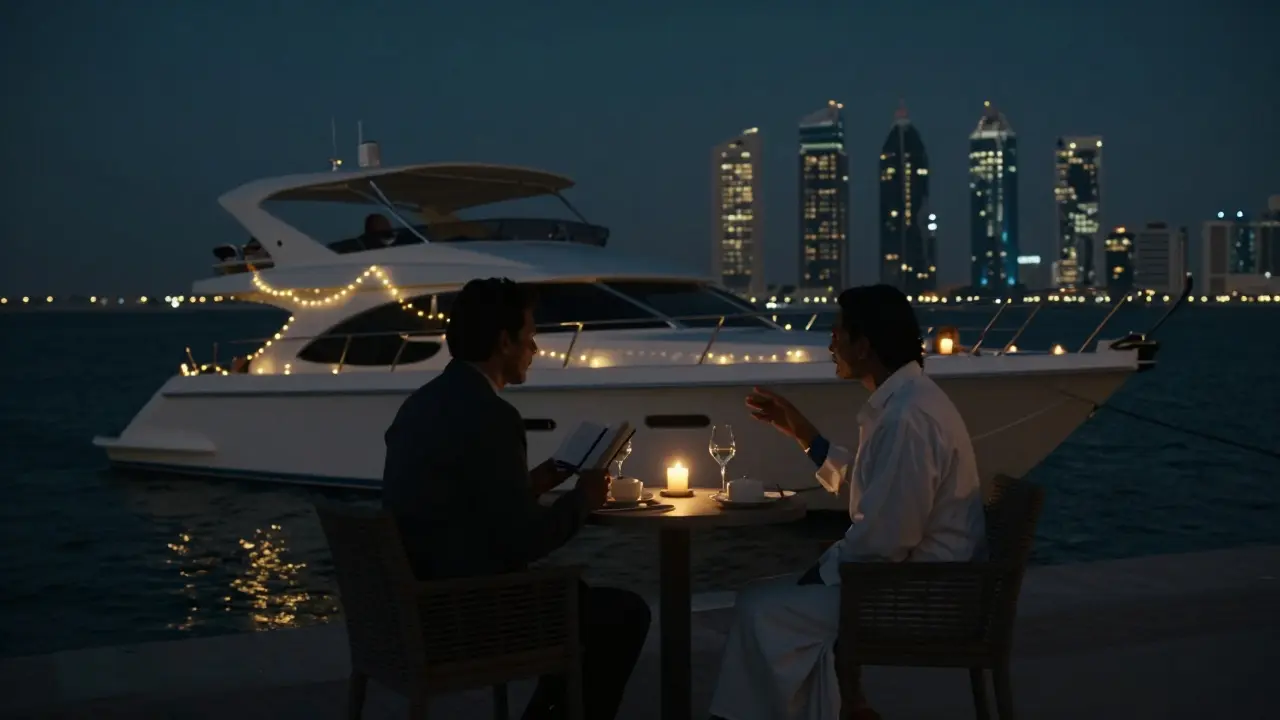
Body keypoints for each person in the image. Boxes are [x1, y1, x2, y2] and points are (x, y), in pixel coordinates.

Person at [708, 284, 986, 720]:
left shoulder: (908, 418)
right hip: (912, 580)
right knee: (769, 600)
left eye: (838, 332)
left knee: (761, 608)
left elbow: (887, 539)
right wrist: (805, 435)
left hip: (916, 594)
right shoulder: (907, 404)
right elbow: (879, 489)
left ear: (865, 344)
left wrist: (822, 571)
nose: (831, 342)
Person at [382, 277, 651, 720]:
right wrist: (582, 499)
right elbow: (521, 542)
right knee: (622, 615)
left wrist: (537, 482)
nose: (536, 349)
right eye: (530, 337)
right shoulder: (493, 417)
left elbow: (463, 504)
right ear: (504, 341)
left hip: (422, 602)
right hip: (470, 613)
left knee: (580, 605)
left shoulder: (421, 404)